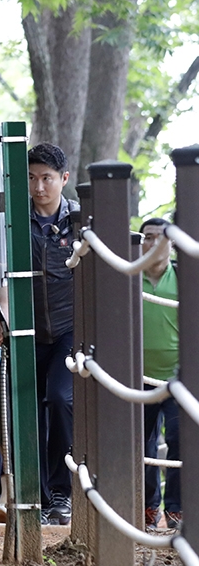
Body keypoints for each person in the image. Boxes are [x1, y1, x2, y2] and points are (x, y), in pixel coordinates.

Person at [27, 143, 77, 525]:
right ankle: (38, 497)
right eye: (31, 177)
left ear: (64, 178)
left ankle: (63, 493)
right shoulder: (12, 217)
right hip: (26, 328)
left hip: (68, 329)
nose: (39, 186)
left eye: (46, 178)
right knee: (28, 409)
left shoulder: (80, 220)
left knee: (60, 399)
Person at [140, 217, 181, 530]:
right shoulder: (129, 277)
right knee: (141, 444)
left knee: (181, 439)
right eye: (147, 237)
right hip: (138, 378)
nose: (154, 243)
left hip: (178, 378)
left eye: (160, 237)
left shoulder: (184, 277)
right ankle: (148, 509)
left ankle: (176, 510)